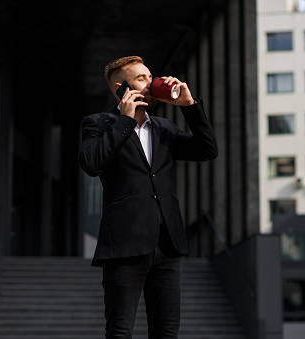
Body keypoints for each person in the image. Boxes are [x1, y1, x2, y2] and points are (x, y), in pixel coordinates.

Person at [78, 56, 218, 339]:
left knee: (166, 332)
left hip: (167, 243)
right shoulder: (99, 123)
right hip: (125, 243)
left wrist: (190, 107)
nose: (151, 83)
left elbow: (207, 150)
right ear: (121, 88)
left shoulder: (164, 127)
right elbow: (91, 163)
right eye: (142, 78)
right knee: (119, 331)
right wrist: (125, 120)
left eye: (150, 76)